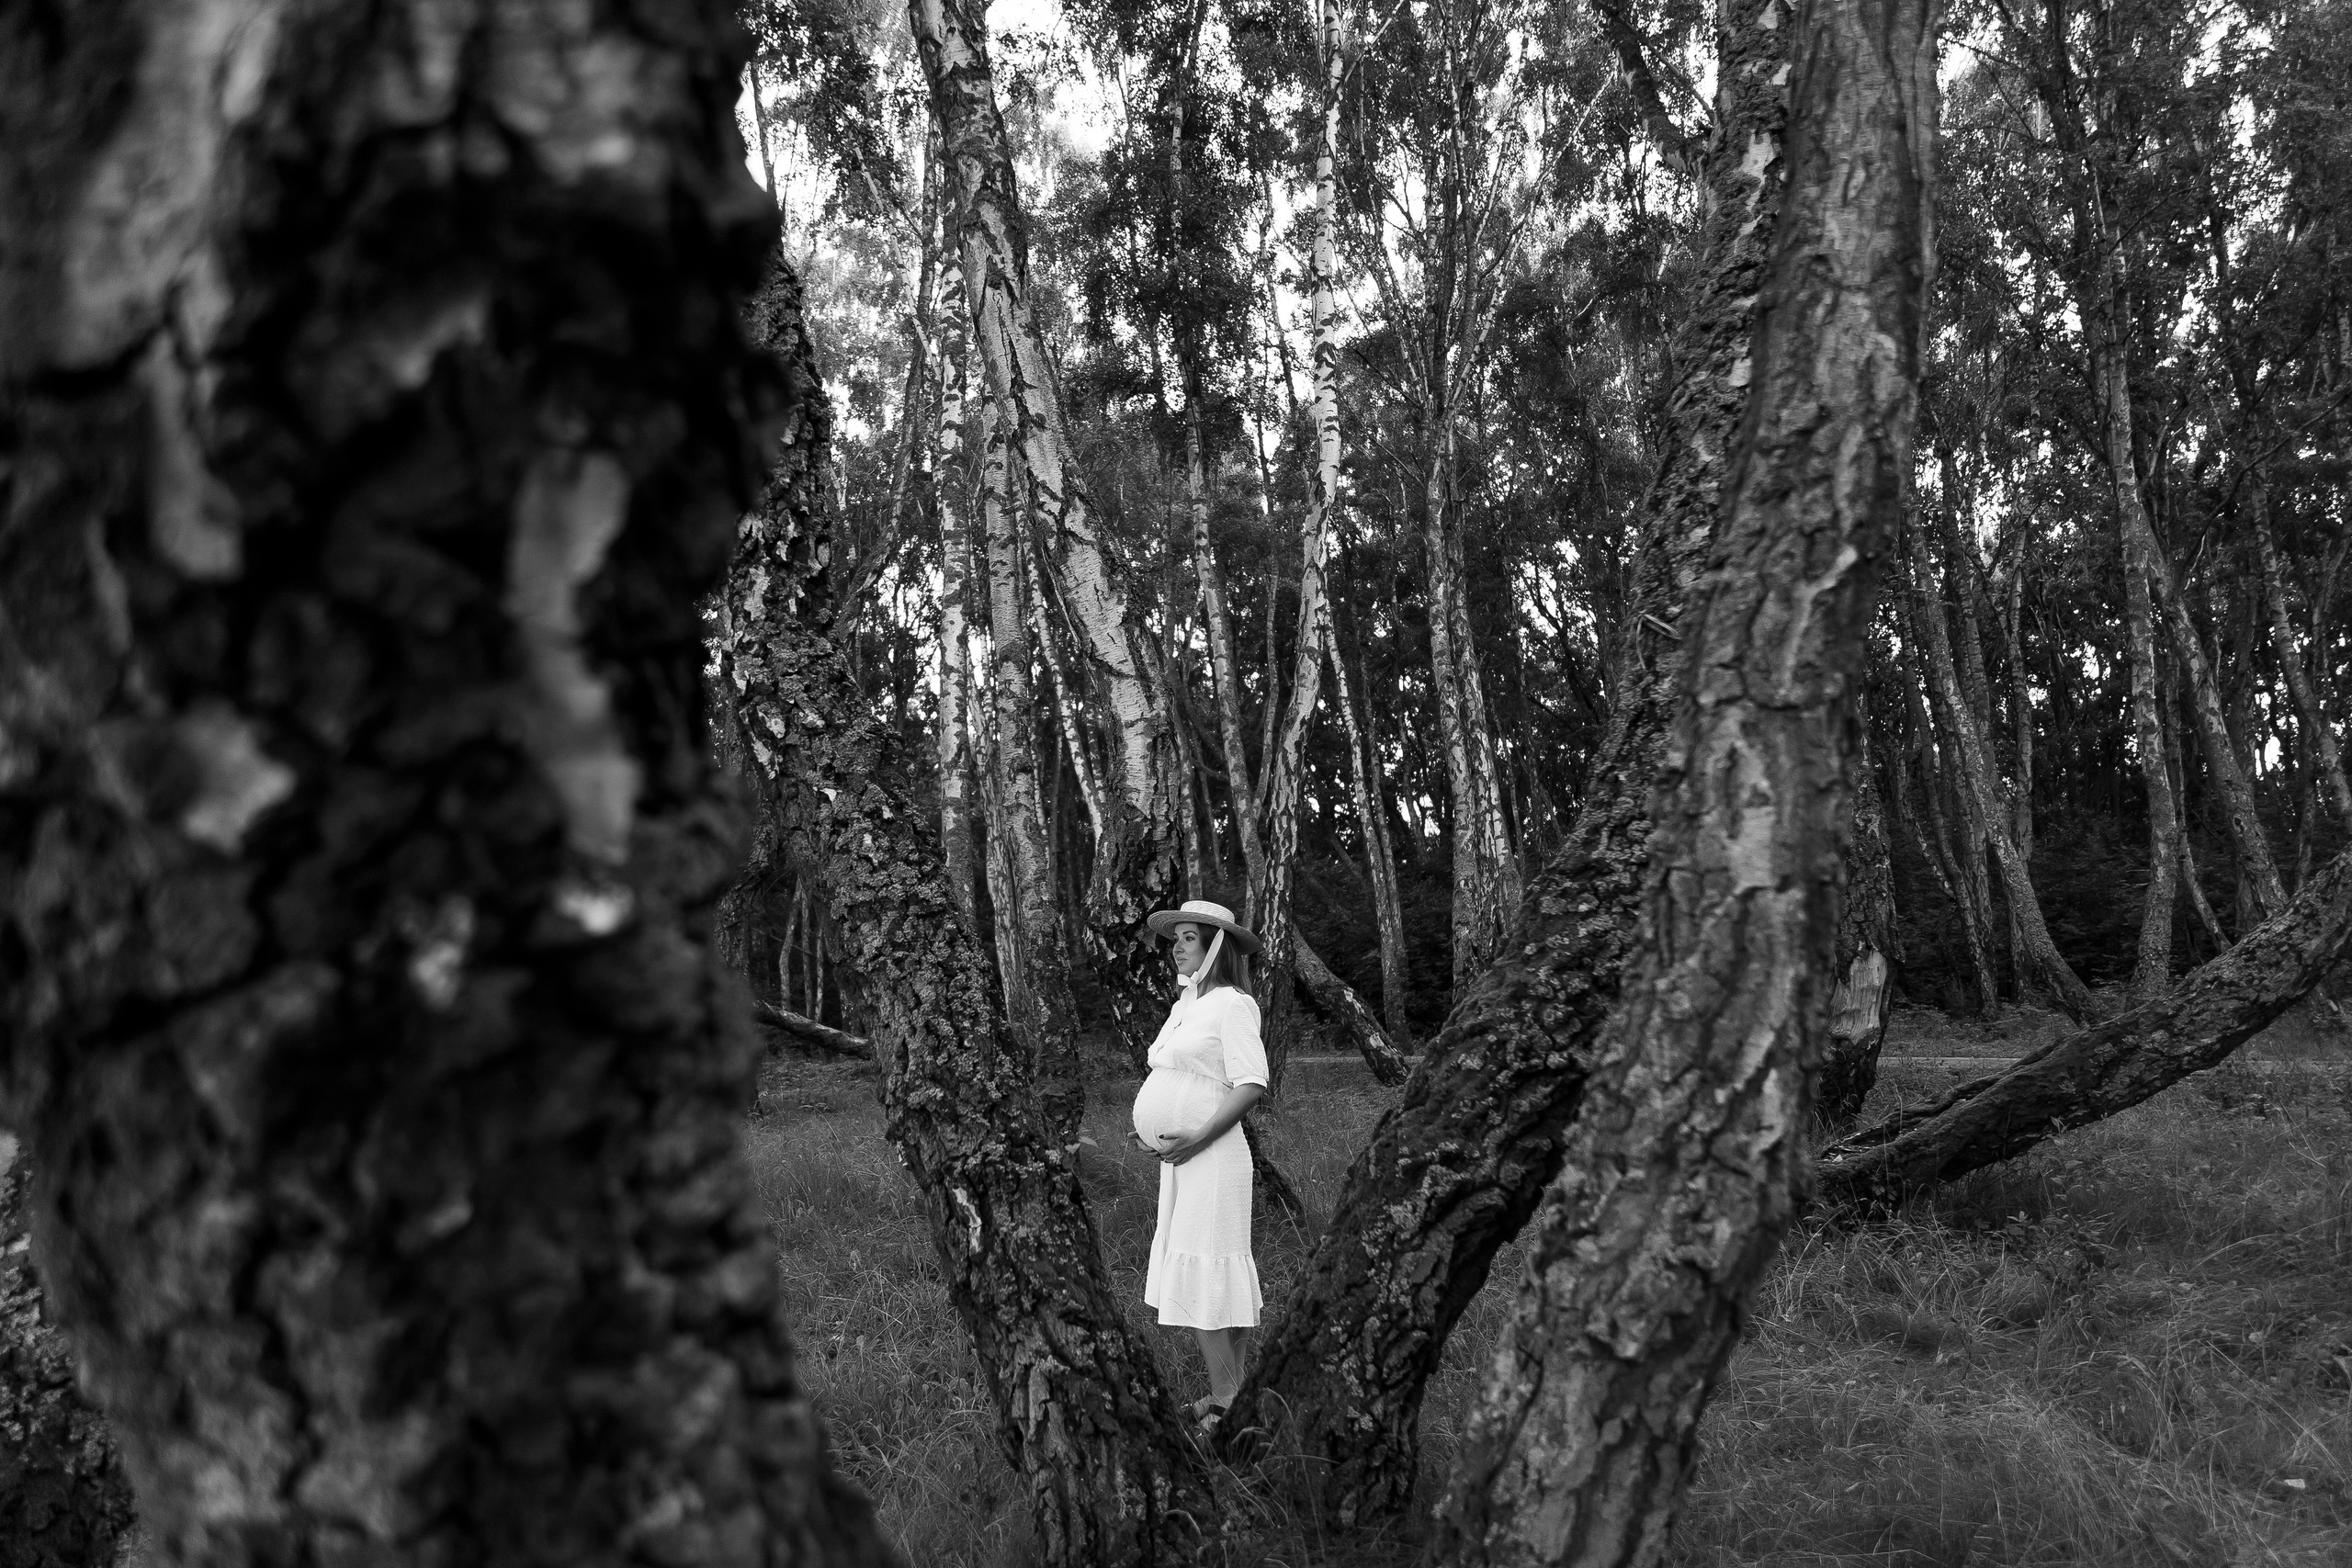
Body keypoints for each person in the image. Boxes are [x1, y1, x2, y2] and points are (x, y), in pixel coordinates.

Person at [1131, 899, 1269, 1428]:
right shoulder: (1187, 1003)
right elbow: (1177, 1075)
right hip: (1183, 1159)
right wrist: (1153, 1128)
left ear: (1216, 947)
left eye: (1188, 938)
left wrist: (1197, 1135)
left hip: (1213, 1158)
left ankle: (1227, 1403)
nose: (1177, 948)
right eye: (1176, 939)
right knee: (1209, 1276)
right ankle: (1230, 1398)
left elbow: (1251, 1083)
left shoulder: (1232, 1004)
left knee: (1207, 1276)